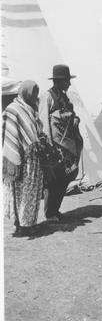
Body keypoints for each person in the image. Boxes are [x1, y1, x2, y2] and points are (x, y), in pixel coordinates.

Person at [39, 64, 83, 222]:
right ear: (59, 81)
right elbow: (44, 122)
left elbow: (72, 114)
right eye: (67, 80)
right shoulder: (47, 96)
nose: (69, 84)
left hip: (67, 147)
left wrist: (75, 119)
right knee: (53, 179)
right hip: (54, 147)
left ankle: (55, 209)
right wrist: (48, 147)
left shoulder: (64, 97)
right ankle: (50, 213)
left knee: (66, 176)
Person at [2, 80, 44, 236]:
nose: (34, 96)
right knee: (20, 192)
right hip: (20, 157)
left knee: (31, 192)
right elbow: (8, 132)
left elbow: (37, 129)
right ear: (25, 91)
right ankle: (21, 225)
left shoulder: (31, 108)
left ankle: (29, 223)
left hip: (33, 159)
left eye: (36, 93)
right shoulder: (13, 110)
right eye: (33, 92)